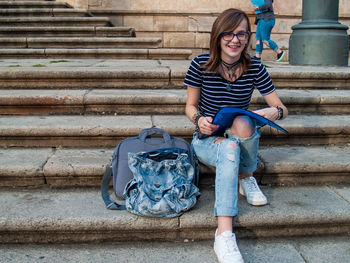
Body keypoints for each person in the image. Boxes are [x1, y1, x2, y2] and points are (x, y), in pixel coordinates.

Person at [184, 8, 288, 263]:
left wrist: (273, 112)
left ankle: (247, 176)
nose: (235, 39)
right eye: (228, 33)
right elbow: (189, 106)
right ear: (218, 36)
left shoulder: (254, 67)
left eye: (241, 34)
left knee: (243, 120)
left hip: (237, 132)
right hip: (207, 138)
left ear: (248, 37)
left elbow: (283, 107)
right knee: (230, 147)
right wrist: (200, 120)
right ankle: (224, 234)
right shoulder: (200, 64)